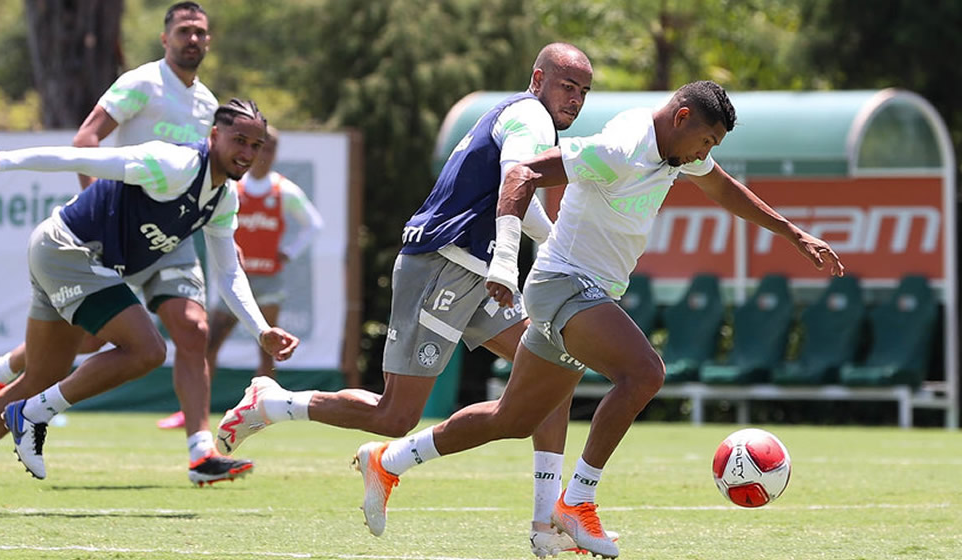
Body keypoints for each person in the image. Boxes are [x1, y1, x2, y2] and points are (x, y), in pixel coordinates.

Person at [353, 80, 846, 558]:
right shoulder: (620, 147)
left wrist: (793, 234)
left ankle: (390, 461)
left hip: (582, 291)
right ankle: (578, 501)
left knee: (513, 418)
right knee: (644, 373)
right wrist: (505, 258)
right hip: (564, 286)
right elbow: (521, 173)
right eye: (706, 141)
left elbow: (723, 188)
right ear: (682, 118)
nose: (703, 154)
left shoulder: (676, 148)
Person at [214, 43, 611, 557]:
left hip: (477, 273)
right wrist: (508, 264)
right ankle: (270, 403)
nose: (575, 99)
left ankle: (546, 525)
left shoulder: (528, 117)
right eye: (567, 86)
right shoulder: (531, 116)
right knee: (395, 416)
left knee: (552, 373)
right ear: (538, 80)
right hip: (445, 268)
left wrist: (556, 247)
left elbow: (522, 198)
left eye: (583, 91)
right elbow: (518, 177)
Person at [0, 99, 299, 513]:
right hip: (69, 251)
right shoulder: (172, 163)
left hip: (66, 255)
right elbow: (75, 156)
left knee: (40, 376)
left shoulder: (224, 198)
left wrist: (261, 329)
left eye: (256, 145)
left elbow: (228, 274)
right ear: (214, 136)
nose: (247, 152)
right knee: (148, 350)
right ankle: (33, 414)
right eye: (238, 140)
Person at [0, 2, 252, 484]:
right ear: (165, 39)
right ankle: (3, 366)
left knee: (192, 328)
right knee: (84, 339)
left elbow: (210, 177)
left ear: (209, 41)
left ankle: (201, 453)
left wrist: (224, 234)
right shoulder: (142, 83)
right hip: (122, 231)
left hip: (172, 238)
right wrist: (100, 213)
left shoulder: (208, 105)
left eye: (200, 32)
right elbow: (86, 139)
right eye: (183, 31)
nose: (192, 39)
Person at [200, 125, 324, 388]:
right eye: (259, 147)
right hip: (236, 278)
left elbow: (314, 224)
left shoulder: (283, 190)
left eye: (269, 148)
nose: (263, 154)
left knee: (268, 348)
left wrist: (289, 252)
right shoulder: (235, 185)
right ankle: (195, 406)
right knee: (211, 342)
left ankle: (262, 409)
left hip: (269, 280)